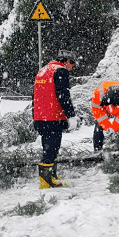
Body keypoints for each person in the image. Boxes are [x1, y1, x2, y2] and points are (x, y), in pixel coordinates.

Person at [33, 50, 79, 188]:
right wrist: (71, 115)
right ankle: (47, 180)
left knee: (48, 147)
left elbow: (34, 96)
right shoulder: (60, 71)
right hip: (53, 117)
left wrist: (34, 117)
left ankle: (50, 176)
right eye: (72, 63)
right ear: (65, 61)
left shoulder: (42, 71)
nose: (72, 67)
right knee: (52, 148)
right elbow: (63, 95)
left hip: (40, 117)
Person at [91, 79, 119, 151]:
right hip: (105, 109)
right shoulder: (98, 94)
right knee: (98, 125)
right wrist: (108, 127)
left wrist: (114, 128)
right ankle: (97, 150)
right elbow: (99, 115)